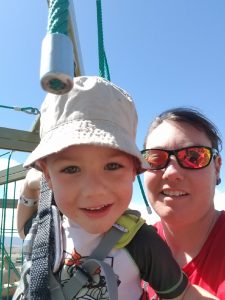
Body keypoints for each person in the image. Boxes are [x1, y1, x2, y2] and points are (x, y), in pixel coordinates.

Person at [15, 76, 219, 300]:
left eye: (193, 157)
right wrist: (30, 190)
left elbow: (185, 294)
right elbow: (26, 234)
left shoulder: (140, 242)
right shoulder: (49, 225)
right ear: (48, 176)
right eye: (71, 169)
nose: (94, 190)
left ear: (134, 171)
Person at [141, 107, 225, 300]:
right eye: (155, 158)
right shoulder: (128, 248)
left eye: (194, 157)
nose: (171, 173)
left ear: (217, 167)